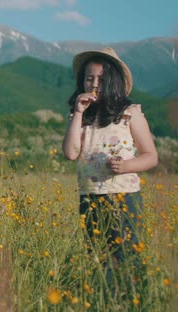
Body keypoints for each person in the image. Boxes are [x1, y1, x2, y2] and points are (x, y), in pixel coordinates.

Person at [62, 47, 158, 283]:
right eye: (89, 78)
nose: (94, 84)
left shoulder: (130, 113)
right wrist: (77, 112)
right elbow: (71, 153)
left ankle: (129, 301)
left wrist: (126, 166)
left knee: (127, 258)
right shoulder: (81, 117)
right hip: (90, 197)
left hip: (124, 197)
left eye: (101, 79)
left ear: (114, 81)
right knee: (97, 258)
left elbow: (151, 155)